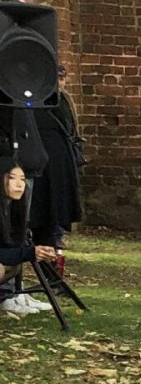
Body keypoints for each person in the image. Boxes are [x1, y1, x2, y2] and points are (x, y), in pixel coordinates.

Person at [29, 64, 85, 254]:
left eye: (62, 79)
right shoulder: (37, 103)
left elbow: (70, 129)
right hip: (42, 163)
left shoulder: (63, 101)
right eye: (57, 79)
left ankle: (54, 240)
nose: (60, 83)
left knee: (54, 207)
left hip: (59, 161)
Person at [0, 163, 55, 316]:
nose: (19, 185)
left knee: (13, 267)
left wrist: (36, 250)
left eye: (23, 179)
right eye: (12, 178)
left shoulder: (13, 209)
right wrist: (30, 253)